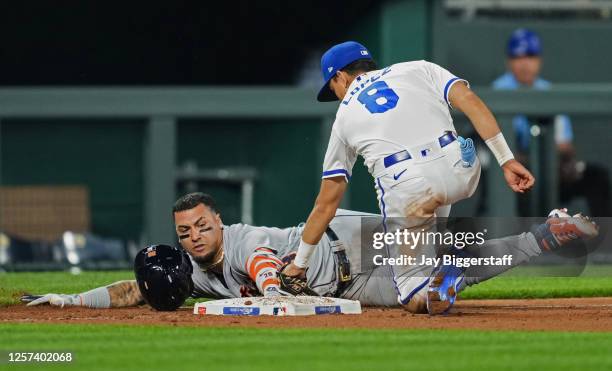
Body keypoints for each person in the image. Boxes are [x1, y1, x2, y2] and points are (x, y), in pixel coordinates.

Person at [24, 192, 597, 314]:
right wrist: (68, 296)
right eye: (186, 231)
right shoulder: (197, 275)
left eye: (202, 225)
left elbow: (262, 264)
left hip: (347, 240)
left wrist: (271, 293)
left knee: (444, 234)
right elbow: (134, 292)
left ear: (217, 220)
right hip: (347, 288)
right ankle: (541, 242)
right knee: (432, 297)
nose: (195, 235)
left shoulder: (241, 240)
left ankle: (542, 229)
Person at [281, 41, 535, 313]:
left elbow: (326, 205)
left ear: (340, 77)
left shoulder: (343, 118)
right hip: (461, 168)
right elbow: (469, 101)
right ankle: (449, 259)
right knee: (433, 251)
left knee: (414, 297)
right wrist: (506, 159)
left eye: (333, 89)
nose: (338, 97)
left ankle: (452, 271)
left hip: (410, 188)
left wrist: (300, 264)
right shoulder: (418, 68)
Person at [493, 28, 611, 217]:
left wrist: (564, 161)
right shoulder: (499, 90)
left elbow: (564, 145)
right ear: (509, 61)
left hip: (549, 169)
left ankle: (604, 242)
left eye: (530, 56)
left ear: (539, 61)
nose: (525, 63)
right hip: (516, 172)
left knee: (596, 176)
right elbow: (501, 146)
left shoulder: (547, 90)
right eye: (518, 57)